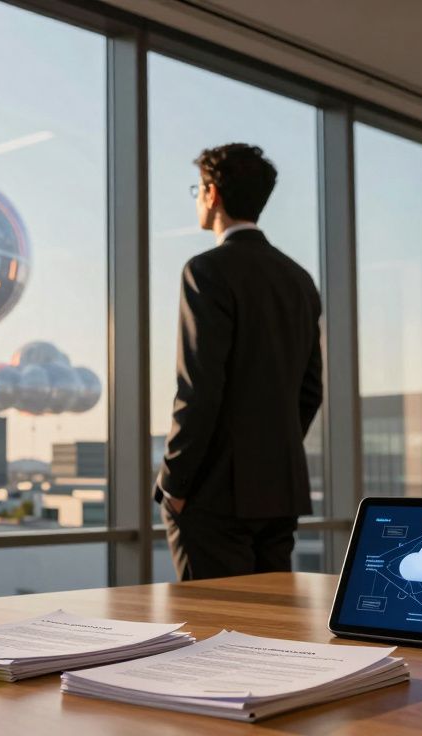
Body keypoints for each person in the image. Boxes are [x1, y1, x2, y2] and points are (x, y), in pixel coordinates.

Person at [155, 143, 323, 581]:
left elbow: (199, 387)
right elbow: (310, 390)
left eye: (198, 189)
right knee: (269, 631)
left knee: (216, 636)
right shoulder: (299, 279)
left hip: (215, 492)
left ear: (212, 194)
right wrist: (270, 450)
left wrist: (174, 483)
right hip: (280, 489)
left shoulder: (206, 270)